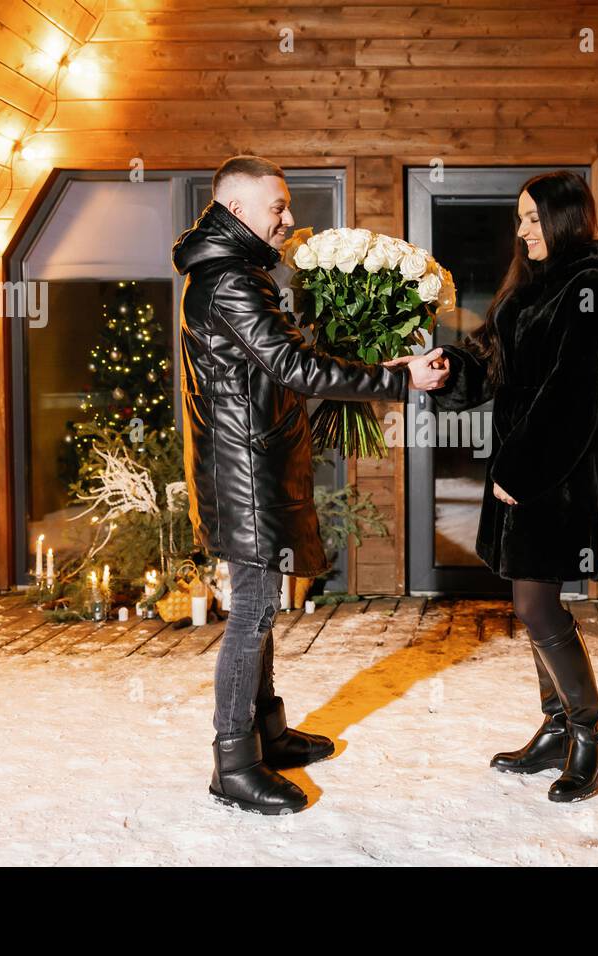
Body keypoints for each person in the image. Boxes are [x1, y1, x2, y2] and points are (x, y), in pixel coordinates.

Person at [172, 155, 448, 815]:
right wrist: (400, 382)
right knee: (254, 611)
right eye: (278, 208)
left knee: (260, 609)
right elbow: (296, 369)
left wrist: (382, 364)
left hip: (254, 464)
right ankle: (233, 764)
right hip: (246, 474)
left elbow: (286, 365)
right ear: (237, 209)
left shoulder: (235, 275)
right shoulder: (230, 281)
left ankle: (265, 733)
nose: (290, 220)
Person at [388, 170, 598, 801]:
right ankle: (556, 726)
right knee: (531, 595)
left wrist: (523, 471)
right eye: (518, 219)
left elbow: (576, 390)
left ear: (564, 217)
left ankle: (589, 734)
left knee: (535, 603)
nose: (520, 231)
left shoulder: (592, 286)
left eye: (531, 218)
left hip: (558, 464)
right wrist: (445, 370)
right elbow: (491, 359)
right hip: (522, 459)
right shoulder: (527, 291)